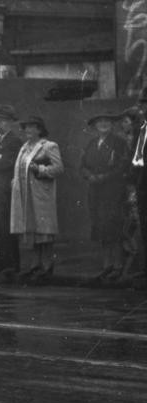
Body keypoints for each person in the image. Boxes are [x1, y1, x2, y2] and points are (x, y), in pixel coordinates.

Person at [10, 115, 64, 278]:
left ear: (39, 129)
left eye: (32, 127)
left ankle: (46, 265)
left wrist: (40, 169)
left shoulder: (48, 146)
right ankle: (35, 264)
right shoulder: (24, 148)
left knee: (44, 230)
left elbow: (59, 168)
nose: (28, 130)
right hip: (26, 195)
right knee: (31, 229)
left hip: (41, 194)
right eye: (26, 127)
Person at [79, 113, 130, 283]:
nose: (103, 124)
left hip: (113, 191)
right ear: (94, 126)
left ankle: (117, 266)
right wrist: (88, 175)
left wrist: (103, 177)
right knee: (101, 228)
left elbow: (122, 166)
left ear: (112, 124)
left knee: (113, 227)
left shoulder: (119, 142)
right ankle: (107, 266)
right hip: (95, 192)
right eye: (99, 121)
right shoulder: (92, 143)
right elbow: (83, 165)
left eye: (107, 121)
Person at [0, 104, 23, 277]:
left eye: (2, 121)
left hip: (5, 189)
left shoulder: (14, 141)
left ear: (10, 123)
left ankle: (11, 263)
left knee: (6, 224)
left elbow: (9, 162)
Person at [131, 87, 147, 280]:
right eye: (143, 104)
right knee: (144, 226)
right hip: (143, 184)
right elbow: (137, 157)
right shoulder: (141, 129)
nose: (144, 107)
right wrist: (134, 180)